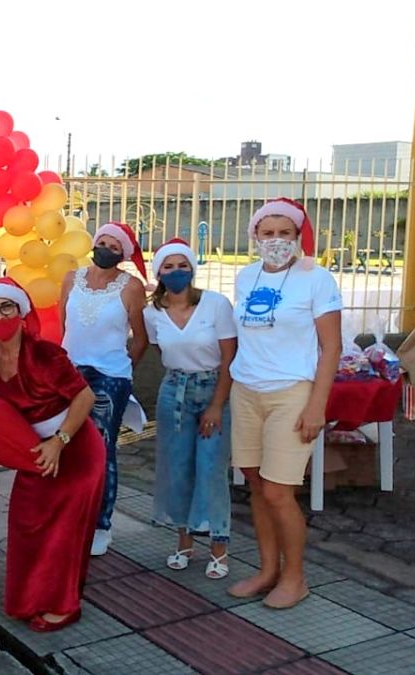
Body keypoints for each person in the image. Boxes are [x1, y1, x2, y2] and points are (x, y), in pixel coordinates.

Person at [228, 199, 341, 609]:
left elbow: (332, 347)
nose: (276, 241)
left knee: (279, 491)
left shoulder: (316, 279)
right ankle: (267, 570)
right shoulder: (246, 276)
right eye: (267, 233)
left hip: (291, 392)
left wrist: (317, 406)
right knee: (257, 486)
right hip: (247, 390)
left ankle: (296, 578)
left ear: (297, 237)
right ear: (254, 236)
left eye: (285, 233)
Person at [0, 278, 105, 632]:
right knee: (25, 521)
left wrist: (60, 440)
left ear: (21, 313)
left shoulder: (46, 354)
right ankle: (29, 598)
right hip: (35, 453)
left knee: (63, 530)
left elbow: (85, 397)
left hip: (75, 447)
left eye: (6, 307)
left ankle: (64, 604)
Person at [143, 239, 237, 579]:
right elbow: (161, 351)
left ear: (193, 270)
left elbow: (230, 357)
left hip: (214, 386)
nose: (176, 272)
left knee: (211, 468)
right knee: (177, 467)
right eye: (168, 267)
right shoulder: (151, 312)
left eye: (183, 265)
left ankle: (219, 549)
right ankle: (183, 543)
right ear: (159, 273)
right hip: (174, 391)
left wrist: (216, 404)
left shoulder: (215, 305)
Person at [60, 221, 149, 556]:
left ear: (123, 254)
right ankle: (71, 516)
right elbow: (64, 324)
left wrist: (122, 372)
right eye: (103, 243)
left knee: (101, 447)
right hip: (71, 371)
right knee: (67, 443)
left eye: (115, 247)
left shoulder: (131, 286)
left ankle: (100, 524)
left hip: (109, 375)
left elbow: (140, 338)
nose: (106, 250)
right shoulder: (72, 278)